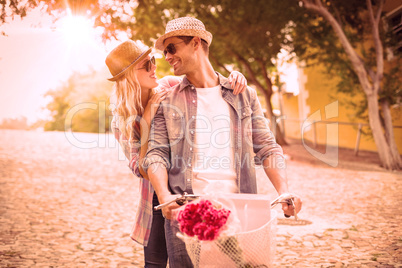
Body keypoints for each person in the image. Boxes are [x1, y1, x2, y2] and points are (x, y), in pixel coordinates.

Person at [143, 17, 303, 267]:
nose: (167, 56)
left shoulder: (244, 95)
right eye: (164, 51)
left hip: (241, 213)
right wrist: (165, 197)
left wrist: (284, 191)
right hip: (184, 213)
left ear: (196, 43)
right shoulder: (167, 100)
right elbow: (156, 154)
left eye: (172, 48)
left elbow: (268, 147)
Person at [105, 39, 248, 267]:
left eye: (153, 60)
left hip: (189, 186)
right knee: (154, 262)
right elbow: (140, 169)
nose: (155, 67)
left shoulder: (170, 85)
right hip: (155, 195)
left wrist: (233, 78)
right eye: (147, 65)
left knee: (207, 255)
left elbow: (206, 84)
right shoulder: (121, 120)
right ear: (130, 76)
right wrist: (147, 121)